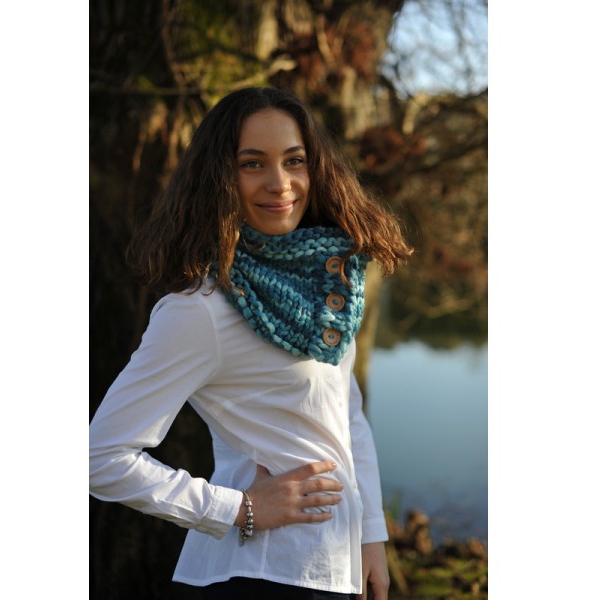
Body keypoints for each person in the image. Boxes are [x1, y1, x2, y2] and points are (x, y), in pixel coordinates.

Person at [89, 86, 412, 600]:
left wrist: (370, 534)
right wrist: (239, 507)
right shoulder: (201, 310)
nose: (279, 183)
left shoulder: (330, 291)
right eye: (253, 163)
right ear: (221, 177)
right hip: (262, 574)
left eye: (294, 160)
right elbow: (101, 458)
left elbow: (346, 416)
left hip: (333, 566)